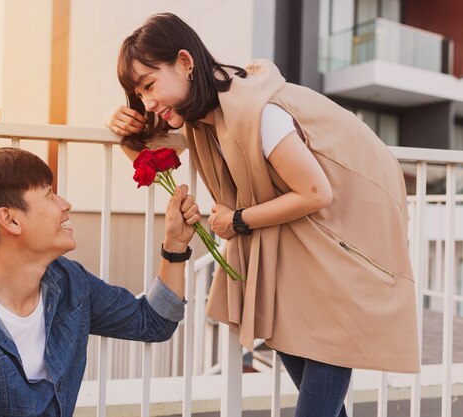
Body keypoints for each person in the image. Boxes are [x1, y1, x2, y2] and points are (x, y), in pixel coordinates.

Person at [106, 12, 419, 417]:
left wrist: (237, 220)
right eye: (139, 94)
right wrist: (115, 124)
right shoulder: (206, 118)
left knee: (317, 391)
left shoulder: (258, 112)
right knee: (313, 388)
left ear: (185, 62)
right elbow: (149, 157)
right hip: (301, 244)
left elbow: (315, 191)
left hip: (345, 240)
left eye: (149, 85)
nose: (147, 103)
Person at [0, 147, 200, 416]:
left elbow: (152, 323)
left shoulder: (68, 281)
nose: (65, 204)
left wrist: (174, 245)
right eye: (49, 194)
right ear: (10, 220)